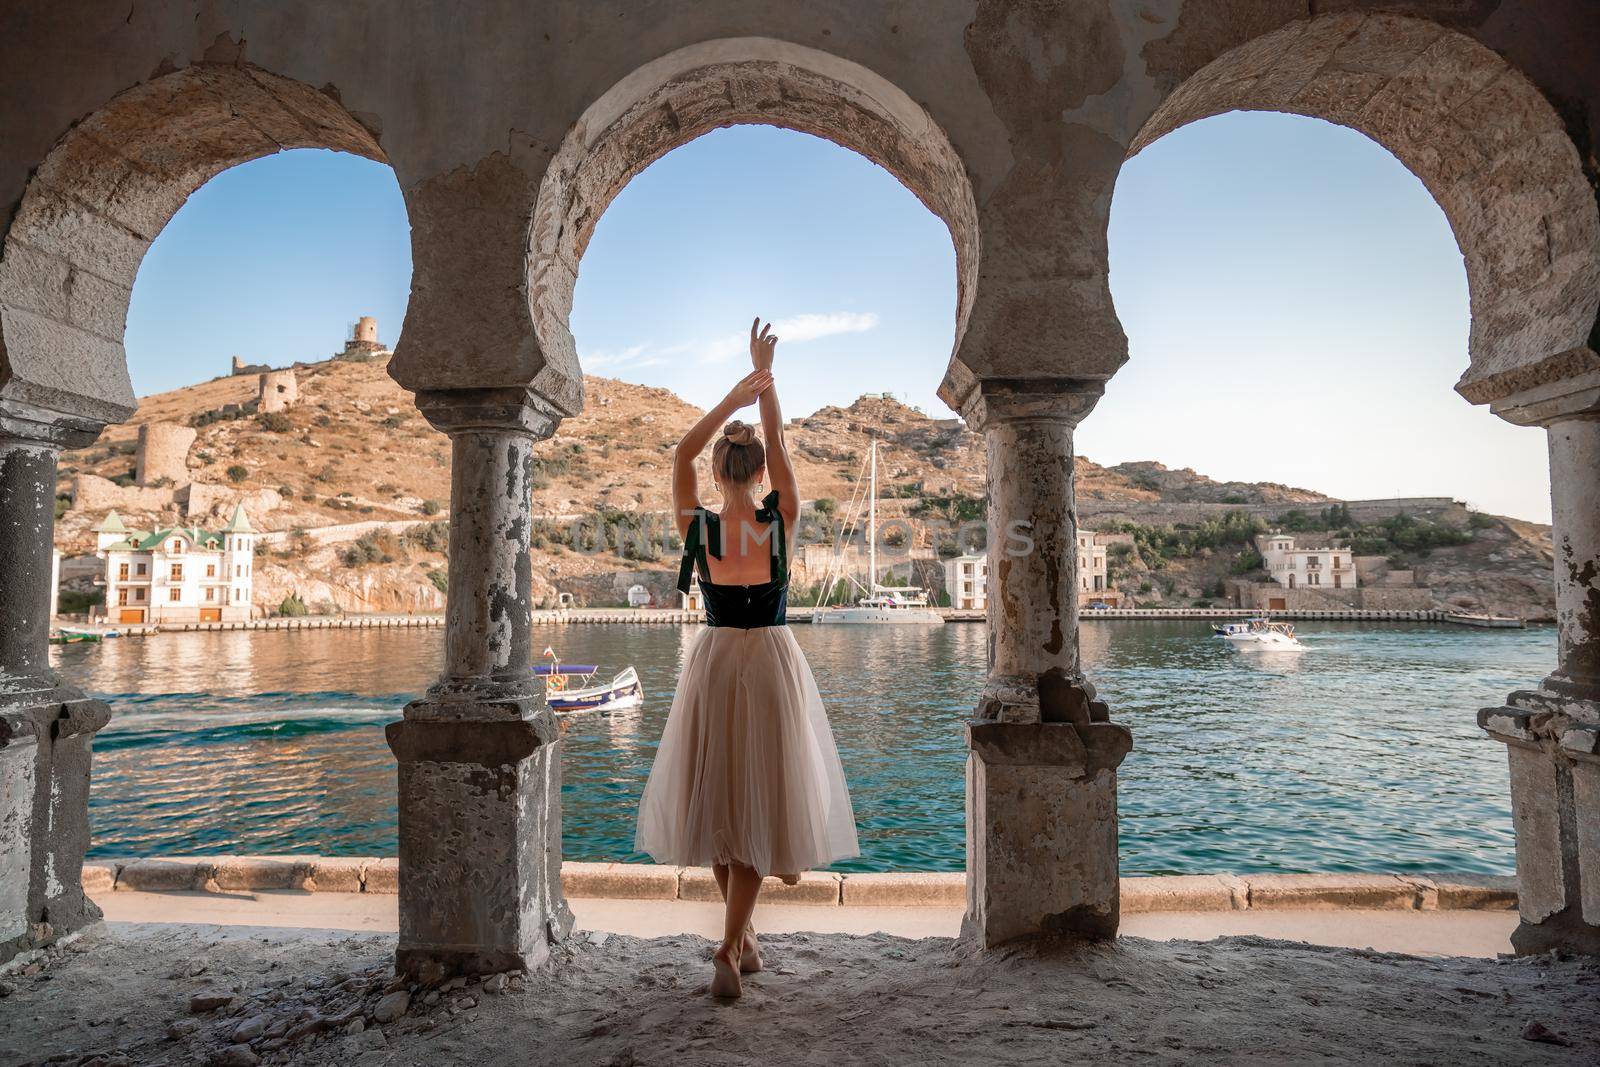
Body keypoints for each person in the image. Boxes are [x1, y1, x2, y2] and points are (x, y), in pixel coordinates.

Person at [635, 318, 859, 999]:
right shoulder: (779, 519)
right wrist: (766, 386)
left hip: (713, 661)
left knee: (720, 803)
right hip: (769, 660)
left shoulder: (696, 528)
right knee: (758, 800)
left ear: (716, 470)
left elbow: (680, 453)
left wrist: (732, 398)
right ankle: (732, 945)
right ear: (761, 471)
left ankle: (745, 940)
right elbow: (782, 442)